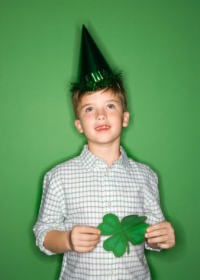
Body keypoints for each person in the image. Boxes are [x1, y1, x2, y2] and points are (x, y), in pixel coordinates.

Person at [33, 25, 175, 279]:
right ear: (79, 125)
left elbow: (150, 236)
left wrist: (160, 238)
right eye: (89, 109)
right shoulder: (59, 177)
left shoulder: (146, 176)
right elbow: (44, 235)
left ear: (125, 118)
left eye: (110, 105)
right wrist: (66, 239)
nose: (100, 114)